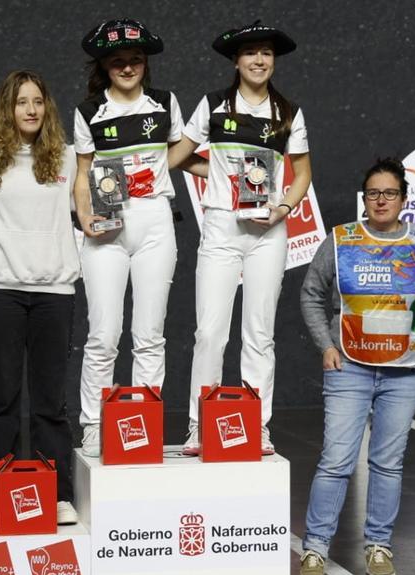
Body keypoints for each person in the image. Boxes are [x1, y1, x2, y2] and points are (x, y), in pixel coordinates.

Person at [173, 19, 312, 455]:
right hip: (220, 229)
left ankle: (256, 424)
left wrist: (284, 208)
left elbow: (303, 173)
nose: (259, 60)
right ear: (236, 60)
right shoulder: (213, 104)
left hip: (268, 233)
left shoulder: (288, 113)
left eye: (266, 53)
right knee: (210, 332)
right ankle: (199, 425)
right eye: (250, 53)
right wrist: (214, 173)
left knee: (259, 334)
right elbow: (178, 156)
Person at [296, 159, 415, 575]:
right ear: (364, 198)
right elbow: (311, 294)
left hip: (405, 372)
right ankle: (315, 551)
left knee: (387, 465)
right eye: (373, 193)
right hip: (349, 369)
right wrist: (326, 346)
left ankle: (379, 547)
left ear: (402, 199)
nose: (380, 200)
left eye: (389, 193)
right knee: (336, 461)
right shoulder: (341, 240)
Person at [0, 70, 81, 528]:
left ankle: (57, 495)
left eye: (37, 101)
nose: (30, 110)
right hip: (0, 294)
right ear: (6, 109)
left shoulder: (68, 158)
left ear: (46, 107)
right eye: (20, 102)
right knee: (2, 401)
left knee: (50, 402)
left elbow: (93, 206)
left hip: (54, 293)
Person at [74, 18, 185, 457]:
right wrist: (84, 217)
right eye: (118, 60)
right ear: (103, 65)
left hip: (155, 219)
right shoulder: (88, 111)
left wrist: (156, 171)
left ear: (145, 63)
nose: (127, 67)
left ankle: (142, 425)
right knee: (103, 334)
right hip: (107, 226)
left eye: (135, 59)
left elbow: (180, 149)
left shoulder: (165, 102)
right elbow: (83, 175)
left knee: (150, 334)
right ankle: (94, 426)